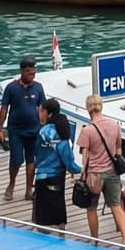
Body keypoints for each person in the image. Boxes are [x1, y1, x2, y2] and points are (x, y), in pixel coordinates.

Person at [76, 92, 125, 242]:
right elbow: (119, 149)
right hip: (112, 171)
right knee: (116, 206)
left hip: (94, 174)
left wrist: (83, 175)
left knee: (91, 207)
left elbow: (85, 157)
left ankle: (95, 239)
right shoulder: (115, 125)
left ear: (88, 109)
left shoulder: (87, 130)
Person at [0, 57, 45, 203]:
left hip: (34, 129)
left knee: (32, 160)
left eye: (34, 72)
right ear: (23, 71)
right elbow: (4, 108)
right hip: (16, 130)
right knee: (16, 160)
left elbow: (42, 108)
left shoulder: (38, 87)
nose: (32, 75)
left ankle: (28, 189)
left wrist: (44, 125)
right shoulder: (11, 88)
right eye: (30, 73)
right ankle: (11, 184)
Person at [31, 96, 82, 229]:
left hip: (43, 176)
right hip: (59, 177)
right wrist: (79, 169)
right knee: (59, 206)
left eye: (41, 111)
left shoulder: (44, 132)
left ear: (48, 113)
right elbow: (68, 158)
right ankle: (61, 232)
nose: (39, 113)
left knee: (43, 217)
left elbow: (37, 154)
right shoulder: (63, 130)